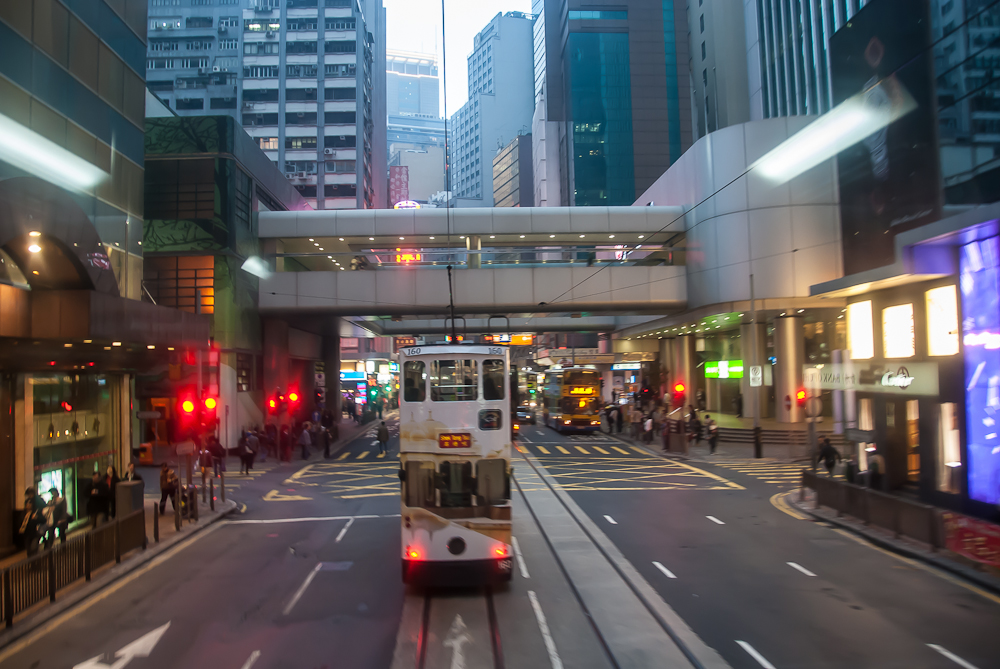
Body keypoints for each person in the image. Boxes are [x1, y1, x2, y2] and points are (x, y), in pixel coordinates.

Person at [19, 487, 48, 556]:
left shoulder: (37, 503)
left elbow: (43, 519)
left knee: (33, 548)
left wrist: (36, 517)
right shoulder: (25, 513)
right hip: (28, 533)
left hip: (35, 532)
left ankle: (34, 561)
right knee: (29, 549)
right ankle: (31, 561)